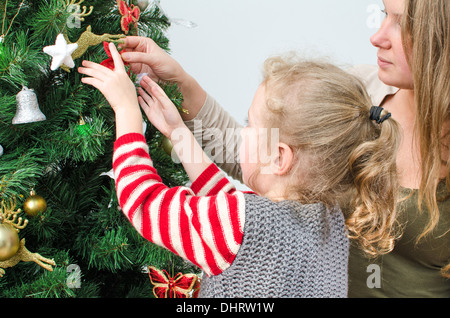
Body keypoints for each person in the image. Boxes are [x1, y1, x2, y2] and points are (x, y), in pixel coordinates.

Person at [116, 0, 449, 297]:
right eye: (383, 14)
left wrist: (127, 113)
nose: (377, 36)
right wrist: (179, 124)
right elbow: (246, 196)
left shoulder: (248, 220)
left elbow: (146, 203)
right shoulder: (356, 101)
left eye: (401, 22)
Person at [78, 44, 401, 297]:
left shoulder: (237, 224)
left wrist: (126, 113)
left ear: (278, 158)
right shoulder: (326, 219)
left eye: (249, 125)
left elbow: (146, 204)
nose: (241, 133)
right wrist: (180, 134)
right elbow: (239, 205)